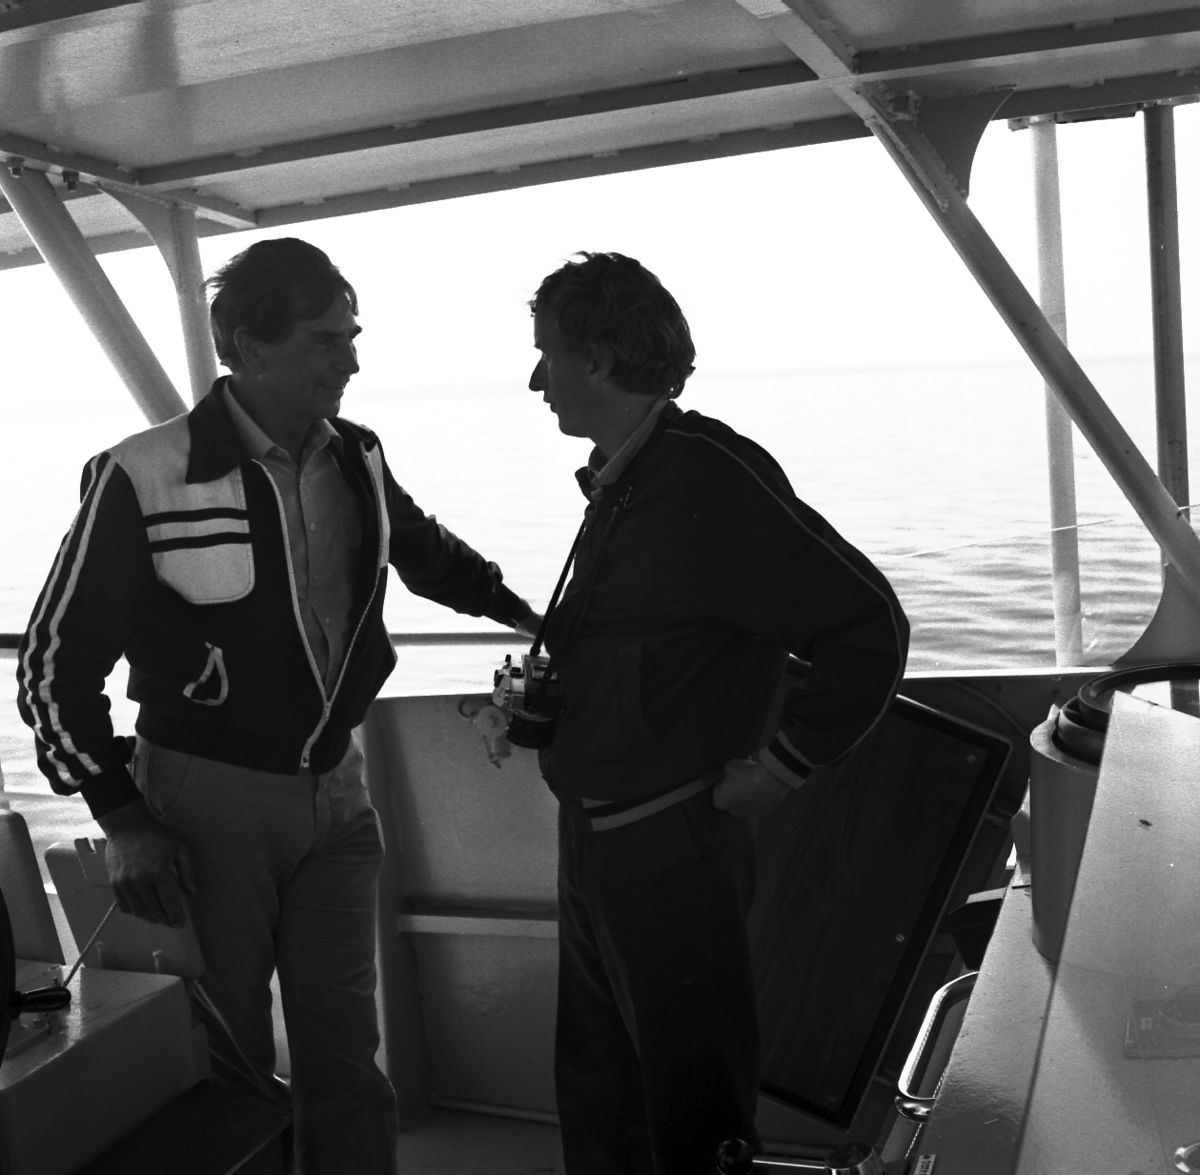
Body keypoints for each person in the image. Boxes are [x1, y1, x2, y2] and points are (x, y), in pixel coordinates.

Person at [16, 238, 539, 1175]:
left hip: (337, 791)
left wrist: (535, 616)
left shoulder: (357, 455)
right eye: (325, 340)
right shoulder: (144, 471)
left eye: (352, 336)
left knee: (347, 1052)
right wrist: (122, 817)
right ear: (251, 347)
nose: (351, 360)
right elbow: (54, 663)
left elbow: (427, 553)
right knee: (232, 1049)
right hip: (204, 800)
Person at [526, 252, 909, 1175]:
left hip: (668, 849)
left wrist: (780, 767)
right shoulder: (624, 479)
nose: (537, 379)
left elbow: (868, 627)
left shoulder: (704, 476)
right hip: (594, 839)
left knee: (692, 1104)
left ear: (601, 360)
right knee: (600, 1088)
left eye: (549, 354)